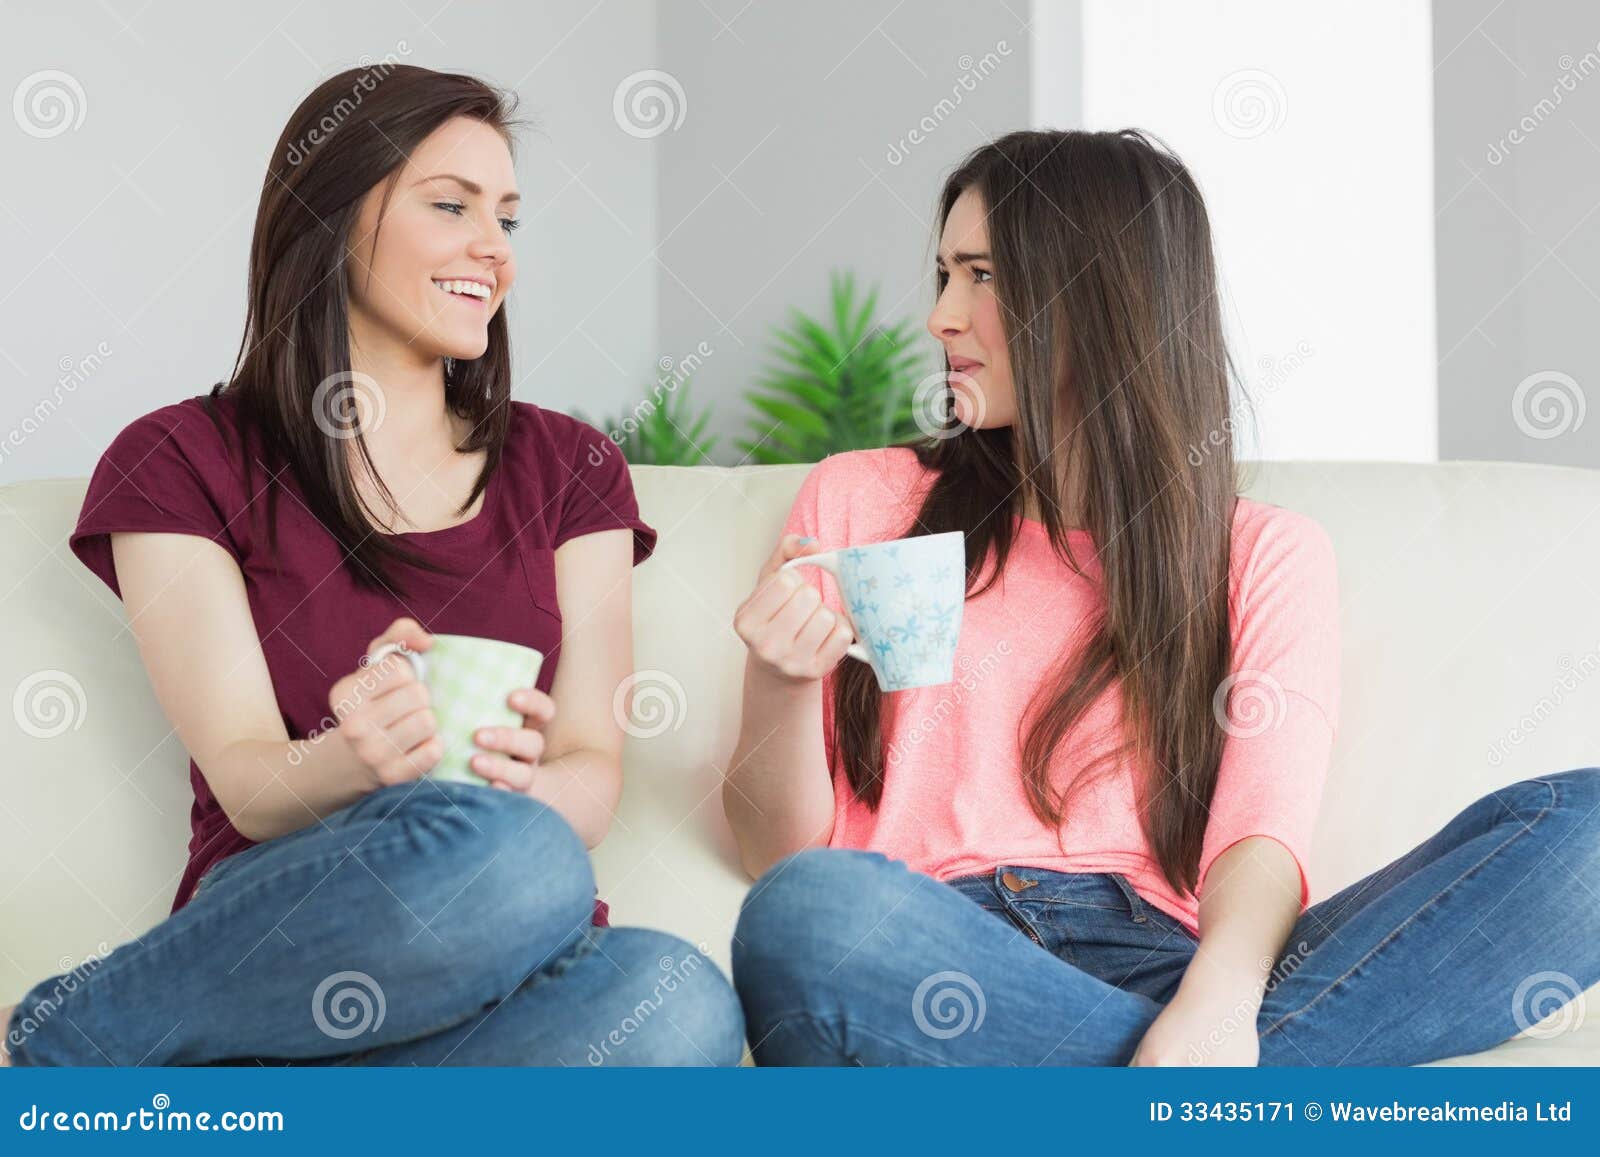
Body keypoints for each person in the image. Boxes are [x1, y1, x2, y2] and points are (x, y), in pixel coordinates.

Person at [722, 128, 1600, 1067]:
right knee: (804, 911)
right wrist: (777, 679)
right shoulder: (863, 498)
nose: (941, 315)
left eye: (981, 276)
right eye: (943, 273)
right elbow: (777, 853)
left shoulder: (1261, 552)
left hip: (1174, 964)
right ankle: (1202, 1109)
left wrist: (1217, 1006)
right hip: (940, 954)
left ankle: (1182, 1088)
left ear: (1098, 296)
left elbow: (1257, 832)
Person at [2, 65, 742, 1068]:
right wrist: (358, 754)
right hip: (298, 928)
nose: (495, 249)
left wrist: (512, 781)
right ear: (332, 218)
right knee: (521, 860)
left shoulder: (572, 466)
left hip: (516, 960)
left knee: (676, 995)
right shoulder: (183, 457)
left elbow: (590, 781)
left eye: (507, 218)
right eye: (451, 206)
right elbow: (253, 785)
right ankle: (70, 1038)